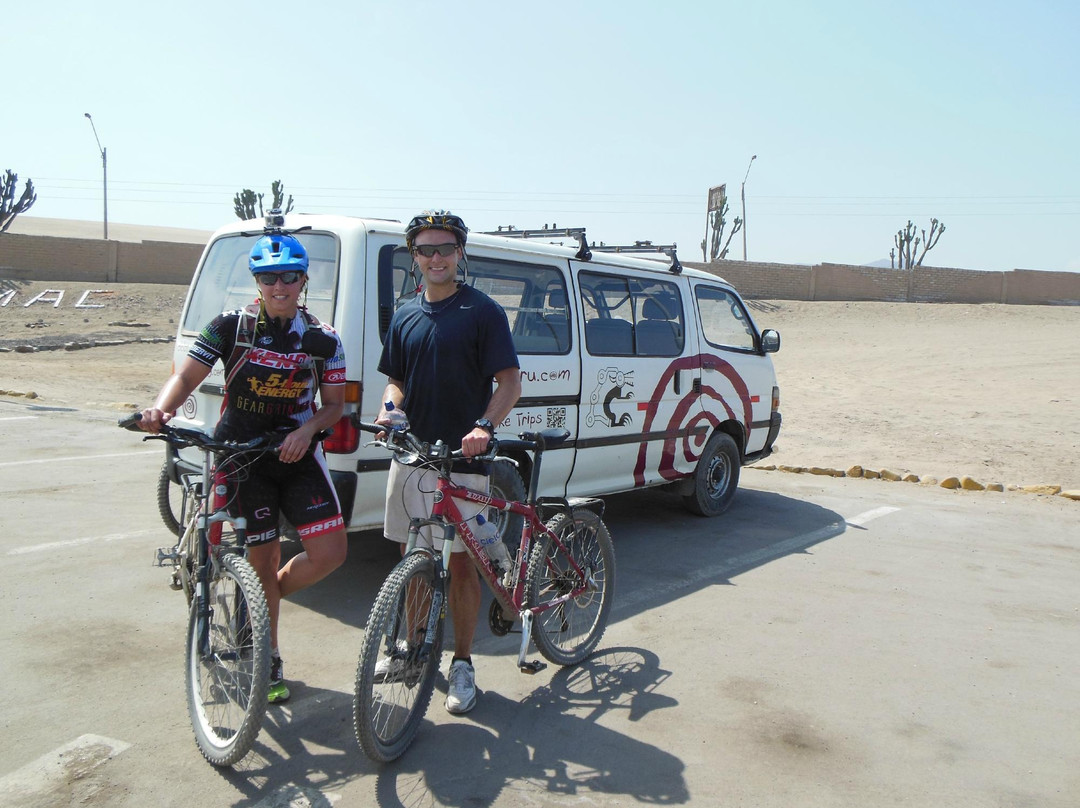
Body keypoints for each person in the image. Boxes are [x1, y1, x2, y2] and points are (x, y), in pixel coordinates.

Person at [137, 232, 348, 703]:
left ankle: (258, 597)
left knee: (330, 553)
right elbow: (186, 376)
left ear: (303, 280)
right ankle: (263, 652)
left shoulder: (323, 338)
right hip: (240, 455)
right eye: (269, 277)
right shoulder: (228, 326)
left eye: (289, 277)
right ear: (257, 281)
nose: (280, 286)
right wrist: (161, 411)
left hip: (296, 452)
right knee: (263, 556)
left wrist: (305, 430)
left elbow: (335, 406)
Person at [375, 209, 521, 714]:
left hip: (464, 457)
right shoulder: (406, 314)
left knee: (462, 563)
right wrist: (389, 408)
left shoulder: (482, 312)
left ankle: (462, 663)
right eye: (425, 250)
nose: (435, 258)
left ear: (460, 253)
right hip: (413, 454)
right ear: (414, 258)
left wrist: (485, 426)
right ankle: (414, 647)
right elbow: (396, 379)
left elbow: (510, 383)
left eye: (445, 249)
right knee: (413, 553)